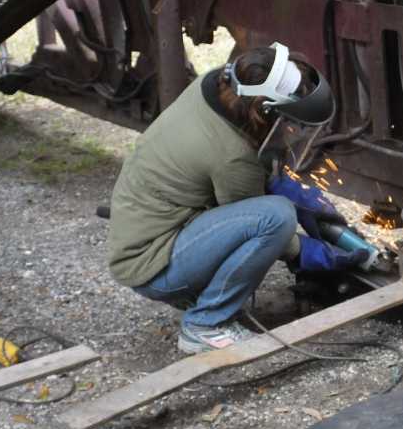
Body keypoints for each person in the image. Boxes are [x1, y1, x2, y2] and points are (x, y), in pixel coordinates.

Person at [107, 43, 368, 353]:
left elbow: (247, 182)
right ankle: (204, 323)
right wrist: (309, 251)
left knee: (274, 211)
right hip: (151, 264)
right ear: (263, 110)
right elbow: (260, 225)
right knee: (278, 216)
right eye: (290, 123)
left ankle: (201, 292)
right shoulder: (232, 157)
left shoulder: (219, 84)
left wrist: (285, 187)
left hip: (151, 228)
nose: (293, 130)